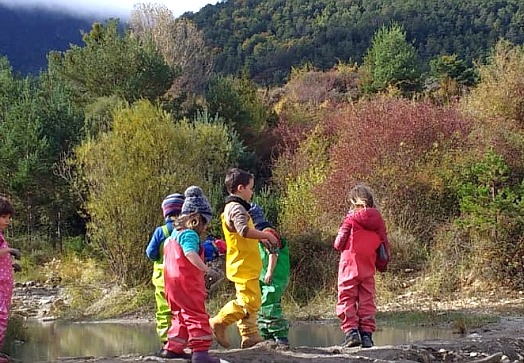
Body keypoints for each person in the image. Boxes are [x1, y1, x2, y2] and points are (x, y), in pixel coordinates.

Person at [209, 168, 279, 349]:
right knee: (250, 301)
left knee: (248, 299)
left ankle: (250, 335)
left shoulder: (235, 207)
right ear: (240, 188)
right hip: (242, 264)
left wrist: (262, 238)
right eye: (250, 188)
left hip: (245, 263)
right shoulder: (236, 208)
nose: (252, 192)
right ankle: (219, 322)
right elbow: (244, 230)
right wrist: (266, 236)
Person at [162, 185, 220, 363]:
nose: (205, 228)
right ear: (196, 219)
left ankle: (173, 348)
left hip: (171, 285)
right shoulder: (189, 235)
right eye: (205, 223)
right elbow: (189, 253)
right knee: (196, 315)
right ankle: (200, 353)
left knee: (180, 315)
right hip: (187, 284)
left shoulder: (172, 236)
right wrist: (206, 269)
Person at [333, 184, 390, 349]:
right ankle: (366, 335)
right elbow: (384, 248)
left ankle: (351, 332)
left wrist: (347, 222)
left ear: (354, 204)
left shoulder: (350, 219)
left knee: (346, 298)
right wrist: (382, 265)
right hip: (368, 267)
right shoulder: (378, 223)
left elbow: (338, 243)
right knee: (367, 300)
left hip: (349, 265)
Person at [145, 193, 185, 355]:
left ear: (165, 213)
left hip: (162, 279)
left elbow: (150, 253)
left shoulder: (160, 231)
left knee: (163, 311)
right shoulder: (185, 230)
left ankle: (165, 341)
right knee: (180, 311)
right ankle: (180, 341)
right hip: (180, 279)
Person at [249, 203, 290, 348]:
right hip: (263, 277)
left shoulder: (266, 233)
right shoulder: (257, 235)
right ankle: (267, 336)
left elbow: (273, 253)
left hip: (274, 276)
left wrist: (269, 272)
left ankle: (280, 337)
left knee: (271, 305)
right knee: (261, 304)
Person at [0, 197, 21, 359]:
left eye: (9, 218)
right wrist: (10, 251)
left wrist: (12, 264)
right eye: (3, 217)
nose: (7, 221)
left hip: (5, 286)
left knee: (3, 319)